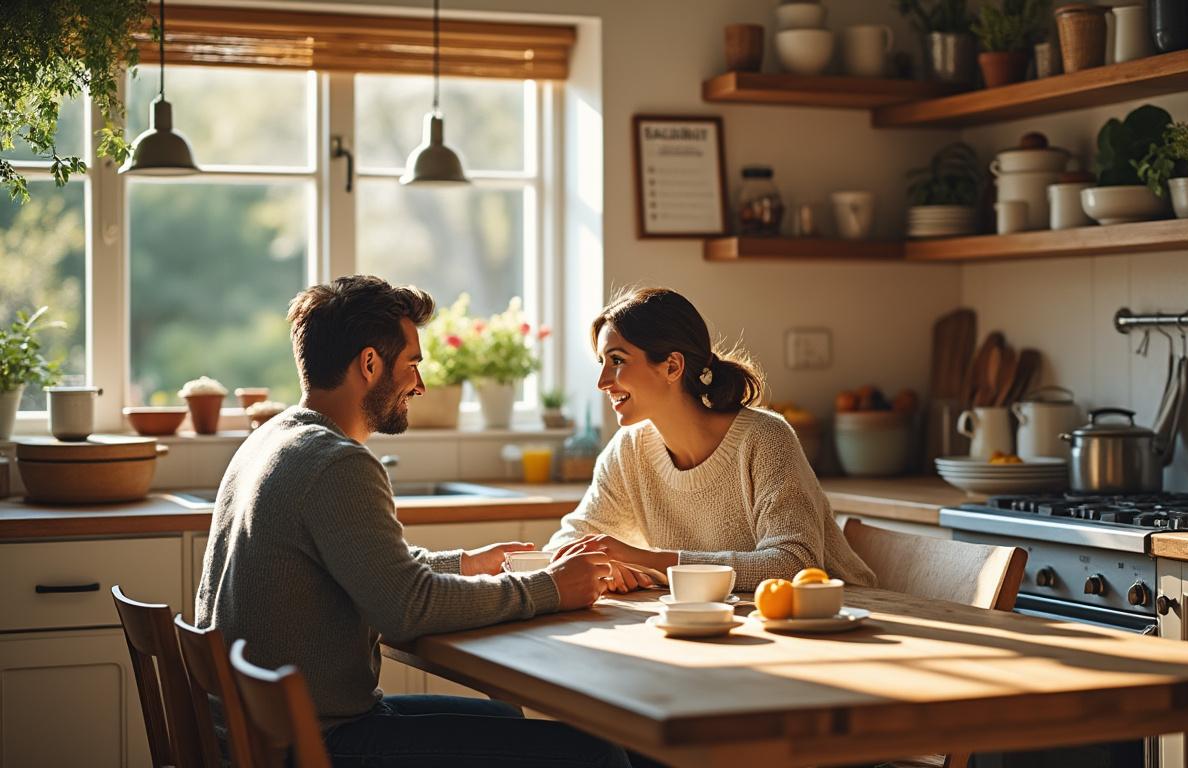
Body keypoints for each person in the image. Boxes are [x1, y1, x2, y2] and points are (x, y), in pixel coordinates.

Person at [195, 275, 631, 768]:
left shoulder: (271, 439)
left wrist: (466, 564)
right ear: (369, 363)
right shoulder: (337, 463)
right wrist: (551, 587)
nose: (420, 385)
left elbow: (375, 571)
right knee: (597, 756)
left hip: (259, 739)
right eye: (413, 364)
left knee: (507, 716)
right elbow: (407, 608)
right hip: (319, 746)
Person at [547, 287, 875, 593]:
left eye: (617, 360)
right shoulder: (628, 450)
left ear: (672, 366)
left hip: (846, 618)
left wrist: (651, 562)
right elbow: (570, 544)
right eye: (602, 363)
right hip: (733, 622)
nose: (602, 381)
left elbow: (793, 564)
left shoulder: (766, 440)